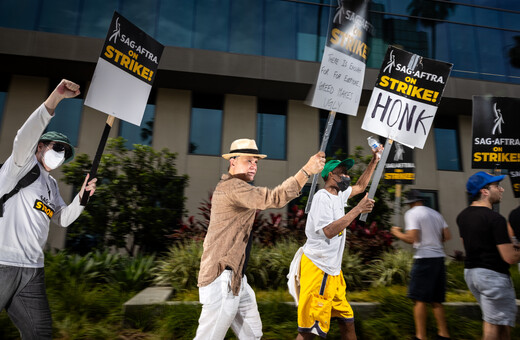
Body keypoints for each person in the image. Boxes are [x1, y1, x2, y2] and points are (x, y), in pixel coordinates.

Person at [194, 138, 326, 339]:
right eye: (249, 161)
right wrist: (306, 171)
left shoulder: (238, 188)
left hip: (237, 279)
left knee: (253, 335)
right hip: (222, 278)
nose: (254, 166)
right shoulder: (232, 187)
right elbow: (273, 198)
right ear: (233, 161)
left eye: (256, 162)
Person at [0, 79, 97, 339]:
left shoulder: (51, 185)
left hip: (32, 271)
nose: (61, 155)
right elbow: (24, 137)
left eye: (65, 153)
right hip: (3, 264)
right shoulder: (20, 166)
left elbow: (62, 219)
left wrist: (82, 198)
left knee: (39, 333)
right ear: (41, 146)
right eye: (57, 148)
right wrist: (54, 99)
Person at [295, 148, 380, 340]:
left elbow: (361, 185)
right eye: (343, 172)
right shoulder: (321, 198)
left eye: (347, 172)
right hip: (318, 269)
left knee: (347, 321)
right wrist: (358, 210)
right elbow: (329, 231)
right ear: (331, 175)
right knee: (308, 332)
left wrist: (374, 161)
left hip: (333, 272)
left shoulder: (338, 196)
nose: (347, 176)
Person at [457, 171, 520, 340]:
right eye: (497, 186)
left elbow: (468, 244)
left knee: (501, 321)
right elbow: (510, 258)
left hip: (472, 274)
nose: (501, 190)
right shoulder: (495, 219)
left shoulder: (463, 216)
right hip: (493, 276)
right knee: (493, 324)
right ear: (484, 191)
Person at [391, 190, 451, 340]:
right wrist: (433, 242)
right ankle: (443, 334)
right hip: (439, 258)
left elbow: (412, 238)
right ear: (421, 200)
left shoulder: (412, 213)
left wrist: (397, 233)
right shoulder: (435, 214)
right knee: (436, 299)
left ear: (410, 203)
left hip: (424, 258)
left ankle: (420, 336)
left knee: (419, 299)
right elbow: (447, 236)